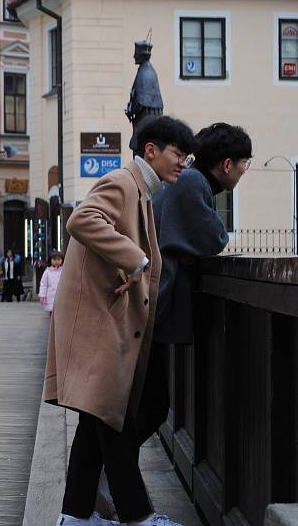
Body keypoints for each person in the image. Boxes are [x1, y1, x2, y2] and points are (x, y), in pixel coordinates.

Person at [48, 115, 195, 526]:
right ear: (151, 150)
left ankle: (74, 517)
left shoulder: (141, 190)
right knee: (111, 422)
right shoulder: (123, 182)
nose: (183, 163)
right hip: (100, 326)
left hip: (104, 324)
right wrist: (135, 257)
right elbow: (81, 219)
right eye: (177, 154)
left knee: (96, 423)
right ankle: (138, 518)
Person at [141, 123, 251, 446]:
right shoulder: (192, 183)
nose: (245, 171)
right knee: (152, 406)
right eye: (244, 163)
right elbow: (215, 237)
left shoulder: (190, 180)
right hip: (152, 306)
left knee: (147, 405)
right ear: (227, 164)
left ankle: (105, 478)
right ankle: (108, 477)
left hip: (152, 304)